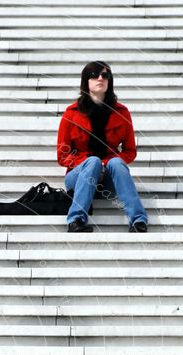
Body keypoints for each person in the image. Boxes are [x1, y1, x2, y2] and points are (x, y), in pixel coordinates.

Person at [56, 60, 148, 233]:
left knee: (116, 163)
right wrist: (93, 164)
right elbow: (62, 155)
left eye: (105, 75)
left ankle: (138, 220)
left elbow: (130, 151)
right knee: (93, 162)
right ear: (86, 82)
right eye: (94, 75)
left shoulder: (122, 112)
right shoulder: (71, 113)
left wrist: (105, 165)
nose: (100, 78)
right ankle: (75, 220)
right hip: (78, 177)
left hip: (109, 179)